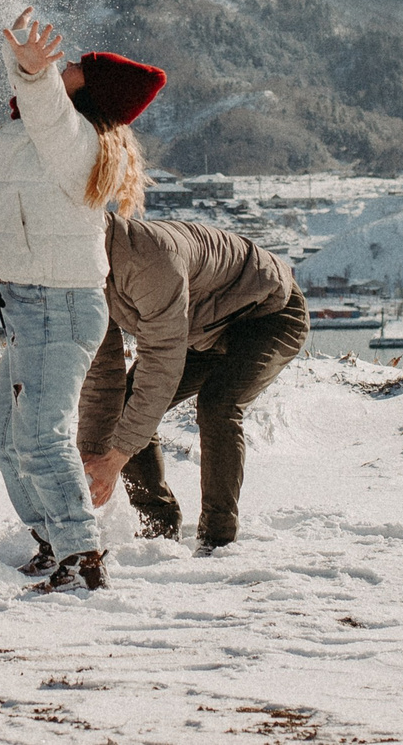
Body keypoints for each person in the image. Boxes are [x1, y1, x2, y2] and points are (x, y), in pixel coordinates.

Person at [0, 10, 166, 594]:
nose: (67, 67)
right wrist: (24, 62)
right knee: (3, 435)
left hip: (55, 304)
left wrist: (36, 76)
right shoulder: (52, 135)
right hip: (31, 302)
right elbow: (37, 99)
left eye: (78, 68)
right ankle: (52, 539)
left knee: (40, 437)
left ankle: (82, 555)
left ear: (91, 97)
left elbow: (46, 105)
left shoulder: (74, 141)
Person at [78, 216, 307, 551]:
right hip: (205, 328)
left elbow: (160, 368)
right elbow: (103, 373)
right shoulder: (84, 275)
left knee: (218, 404)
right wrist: (93, 453)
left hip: (269, 312)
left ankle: (217, 539)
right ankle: (160, 525)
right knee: (126, 405)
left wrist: (116, 459)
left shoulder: (150, 260)